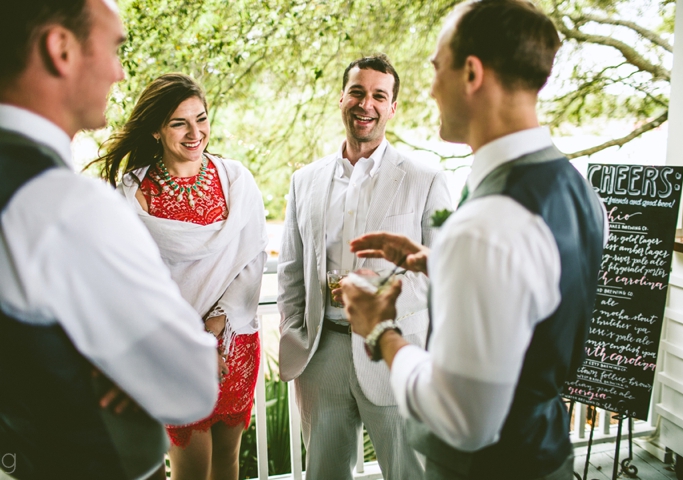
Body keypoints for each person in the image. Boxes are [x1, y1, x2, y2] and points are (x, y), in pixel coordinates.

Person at [341, 1, 608, 479]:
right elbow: (530, 297)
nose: (429, 88)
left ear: (471, 74)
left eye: (436, 68)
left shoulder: (486, 226)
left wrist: (380, 331)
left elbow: (463, 420)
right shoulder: (577, 188)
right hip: (548, 455)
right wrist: (439, 262)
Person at [0, 1, 218, 479]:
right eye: (114, 47)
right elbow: (191, 383)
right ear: (61, 49)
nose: (120, 73)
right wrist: (137, 365)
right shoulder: (68, 205)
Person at [277, 54, 452, 480]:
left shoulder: (425, 178)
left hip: (394, 349)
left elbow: (445, 274)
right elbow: (291, 270)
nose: (365, 104)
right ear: (342, 98)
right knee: (324, 472)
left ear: (392, 107)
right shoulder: (305, 181)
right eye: (357, 92)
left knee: (409, 472)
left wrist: (382, 296)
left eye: (379, 95)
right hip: (322, 354)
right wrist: (295, 331)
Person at [91, 73, 268, 480]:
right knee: (190, 470)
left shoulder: (236, 180)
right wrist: (193, 341)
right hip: (173, 351)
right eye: (179, 123)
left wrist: (216, 326)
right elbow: (132, 283)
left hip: (234, 340)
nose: (195, 133)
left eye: (201, 119)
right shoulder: (132, 192)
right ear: (155, 129)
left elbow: (252, 259)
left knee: (227, 463)